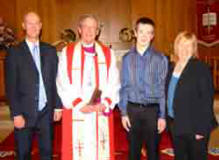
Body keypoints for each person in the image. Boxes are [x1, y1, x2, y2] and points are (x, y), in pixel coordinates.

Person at [56, 14, 120, 160]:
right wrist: (79, 104)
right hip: (77, 110)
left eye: (93, 27)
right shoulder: (68, 53)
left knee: (100, 149)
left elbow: (114, 81)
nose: (90, 30)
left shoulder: (108, 53)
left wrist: (105, 103)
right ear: (79, 29)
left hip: (99, 110)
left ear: (98, 31)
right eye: (86, 26)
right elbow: (62, 81)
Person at [5, 12, 62, 160]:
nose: (33, 26)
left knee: (47, 153)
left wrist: (57, 106)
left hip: (46, 112)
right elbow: (11, 86)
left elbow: (56, 80)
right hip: (24, 112)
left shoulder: (50, 51)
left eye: (36, 23)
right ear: (23, 26)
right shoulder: (14, 52)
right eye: (29, 23)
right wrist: (16, 113)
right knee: (23, 154)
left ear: (41, 26)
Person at [119, 17, 168, 160]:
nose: (144, 36)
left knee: (153, 151)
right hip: (132, 110)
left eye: (149, 33)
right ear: (135, 33)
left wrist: (162, 116)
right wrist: (123, 113)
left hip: (152, 111)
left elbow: (162, 89)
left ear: (153, 36)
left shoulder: (160, 59)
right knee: (133, 151)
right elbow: (124, 87)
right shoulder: (127, 59)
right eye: (141, 32)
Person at [167, 31, 218, 160]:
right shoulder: (172, 67)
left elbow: (206, 100)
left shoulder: (201, 68)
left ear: (194, 48)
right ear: (176, 46)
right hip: (176, 124)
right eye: (182, 44)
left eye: (189, 45)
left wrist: (201, 129)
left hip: (194, 127)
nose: (184, 49)